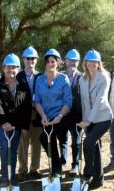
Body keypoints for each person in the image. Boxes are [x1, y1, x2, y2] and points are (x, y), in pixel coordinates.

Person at [0, 53, 32, 186]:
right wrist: (4, 122)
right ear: (3, 68)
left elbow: (27, 108)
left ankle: (12, 178)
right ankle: (4, 178)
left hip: (17, 125)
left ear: (18, 69)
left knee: (13, 151)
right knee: (4, 149)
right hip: (2, 125)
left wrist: (25, 126)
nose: (11, 70)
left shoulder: (23, 85)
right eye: (8, 67)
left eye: (14, 67)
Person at [77, 49, 113, 189]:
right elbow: (84, 102)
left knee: (88, 142)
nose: (91, 64)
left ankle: (88, 172)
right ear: (85, 63)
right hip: (89, 119)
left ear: (98, 63)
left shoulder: (104, 77)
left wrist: (89, 120)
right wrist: (86, 121)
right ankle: (99, 179)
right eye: (88, 62)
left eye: (94, 62)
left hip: (103, 118)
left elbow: (100, 99)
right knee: (95, 148)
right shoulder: (83, 79)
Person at [34, 48, 72, 177]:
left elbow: (68, 101)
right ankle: (56, 168)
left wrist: (60, 116)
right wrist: (43, 116)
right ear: (45, 63)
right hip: (47, 117)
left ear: (57, 63)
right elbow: (37, 101)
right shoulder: (39, 80)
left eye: (53, 61)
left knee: (59, 136)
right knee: (44, 138)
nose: (51, 64)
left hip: (62, 116)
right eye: (48, 61)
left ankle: (60, 162)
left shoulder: (63, 78)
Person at [17, 46, 43, 180]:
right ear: (23, 60)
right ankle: (22, 170)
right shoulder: (17, 77)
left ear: (36, 60)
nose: (30, 61)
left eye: (33, 58)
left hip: (37, 114)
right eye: (28, 58)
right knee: (23, 143)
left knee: (37, 142)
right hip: (23, 116)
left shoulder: (41, 76)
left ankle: (34, 169)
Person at [59, 49, 83, 175]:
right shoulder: (60, 76)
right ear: (65, 61)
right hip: (62, 114)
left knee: (76, 141)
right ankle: (62, 161)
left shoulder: (83, 77)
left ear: (78, 62)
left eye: (75, 60)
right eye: (70, 60)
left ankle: (75, 165)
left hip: (77, 115)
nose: (72, 62)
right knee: (62, 139)